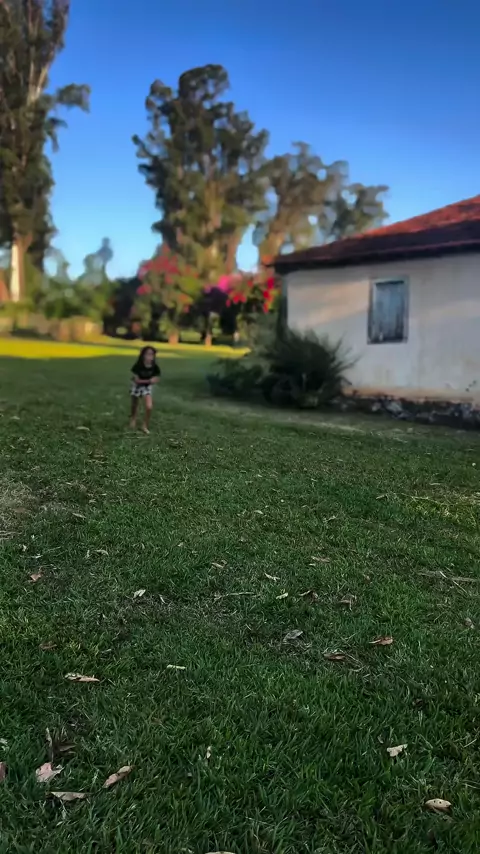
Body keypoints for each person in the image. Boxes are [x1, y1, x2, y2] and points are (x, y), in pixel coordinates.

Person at [129, 346, 161, 434]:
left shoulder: (155, 367)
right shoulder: (138, 366)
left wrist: (154, 380)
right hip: (136, 386)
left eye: (152, 354)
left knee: (149, 406)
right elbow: (136, 380)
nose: (150, 356)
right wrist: (149, 381)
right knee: (134, 404)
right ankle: (133, 418)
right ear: (143, 355)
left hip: (147, 387)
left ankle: (145, 425)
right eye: (147, 354)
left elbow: (157, 378)